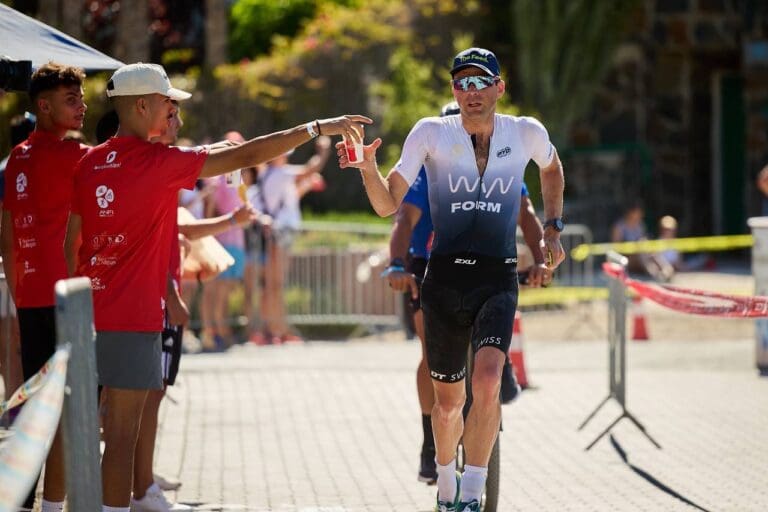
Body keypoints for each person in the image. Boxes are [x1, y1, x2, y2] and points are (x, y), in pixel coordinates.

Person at [63, 62, 370, 512]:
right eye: (169, 104)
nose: (174, 114)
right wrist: (318, 126)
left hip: (88, 315)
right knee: (122, 435)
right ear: (142, 105)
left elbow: (73, 244)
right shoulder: (159, 162)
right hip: (132, 318)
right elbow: (248, 155)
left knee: (96, 427)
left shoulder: (89, 162)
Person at [339, 48, 565, 511]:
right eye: (462, 83)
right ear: (453, 91)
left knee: (487, 382)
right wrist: (367, 168)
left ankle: (474, 494)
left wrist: (554, 228)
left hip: (497, 279)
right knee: (447, 406)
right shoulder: (430, 134)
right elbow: (388, 207)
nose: (472, 92)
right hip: (442, 282)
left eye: (481, 82)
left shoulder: (525, 133)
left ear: (499, 88)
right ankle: (446, 487)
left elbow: (552, 168)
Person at [0, 62, 89, 512]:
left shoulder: (16, 156)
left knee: (37, 409)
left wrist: (19, 301)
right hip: (69, 304)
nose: (82, 106)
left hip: (32, 299)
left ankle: (24, 501)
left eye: (81, 97)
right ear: (43, 105)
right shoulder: (78, 155)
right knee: (71, 410)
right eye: (71, 99)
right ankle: (49, 504)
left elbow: (8, 237)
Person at [249, 136, 331, 344]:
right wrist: (323, 151)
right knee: (276, 284)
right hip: (282, 232)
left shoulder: (270, 175)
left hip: (277, 231)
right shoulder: (281, 174)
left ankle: (275, 328)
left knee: (273, 283)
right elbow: (311, 168)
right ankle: (275, 329)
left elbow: (290, 198)